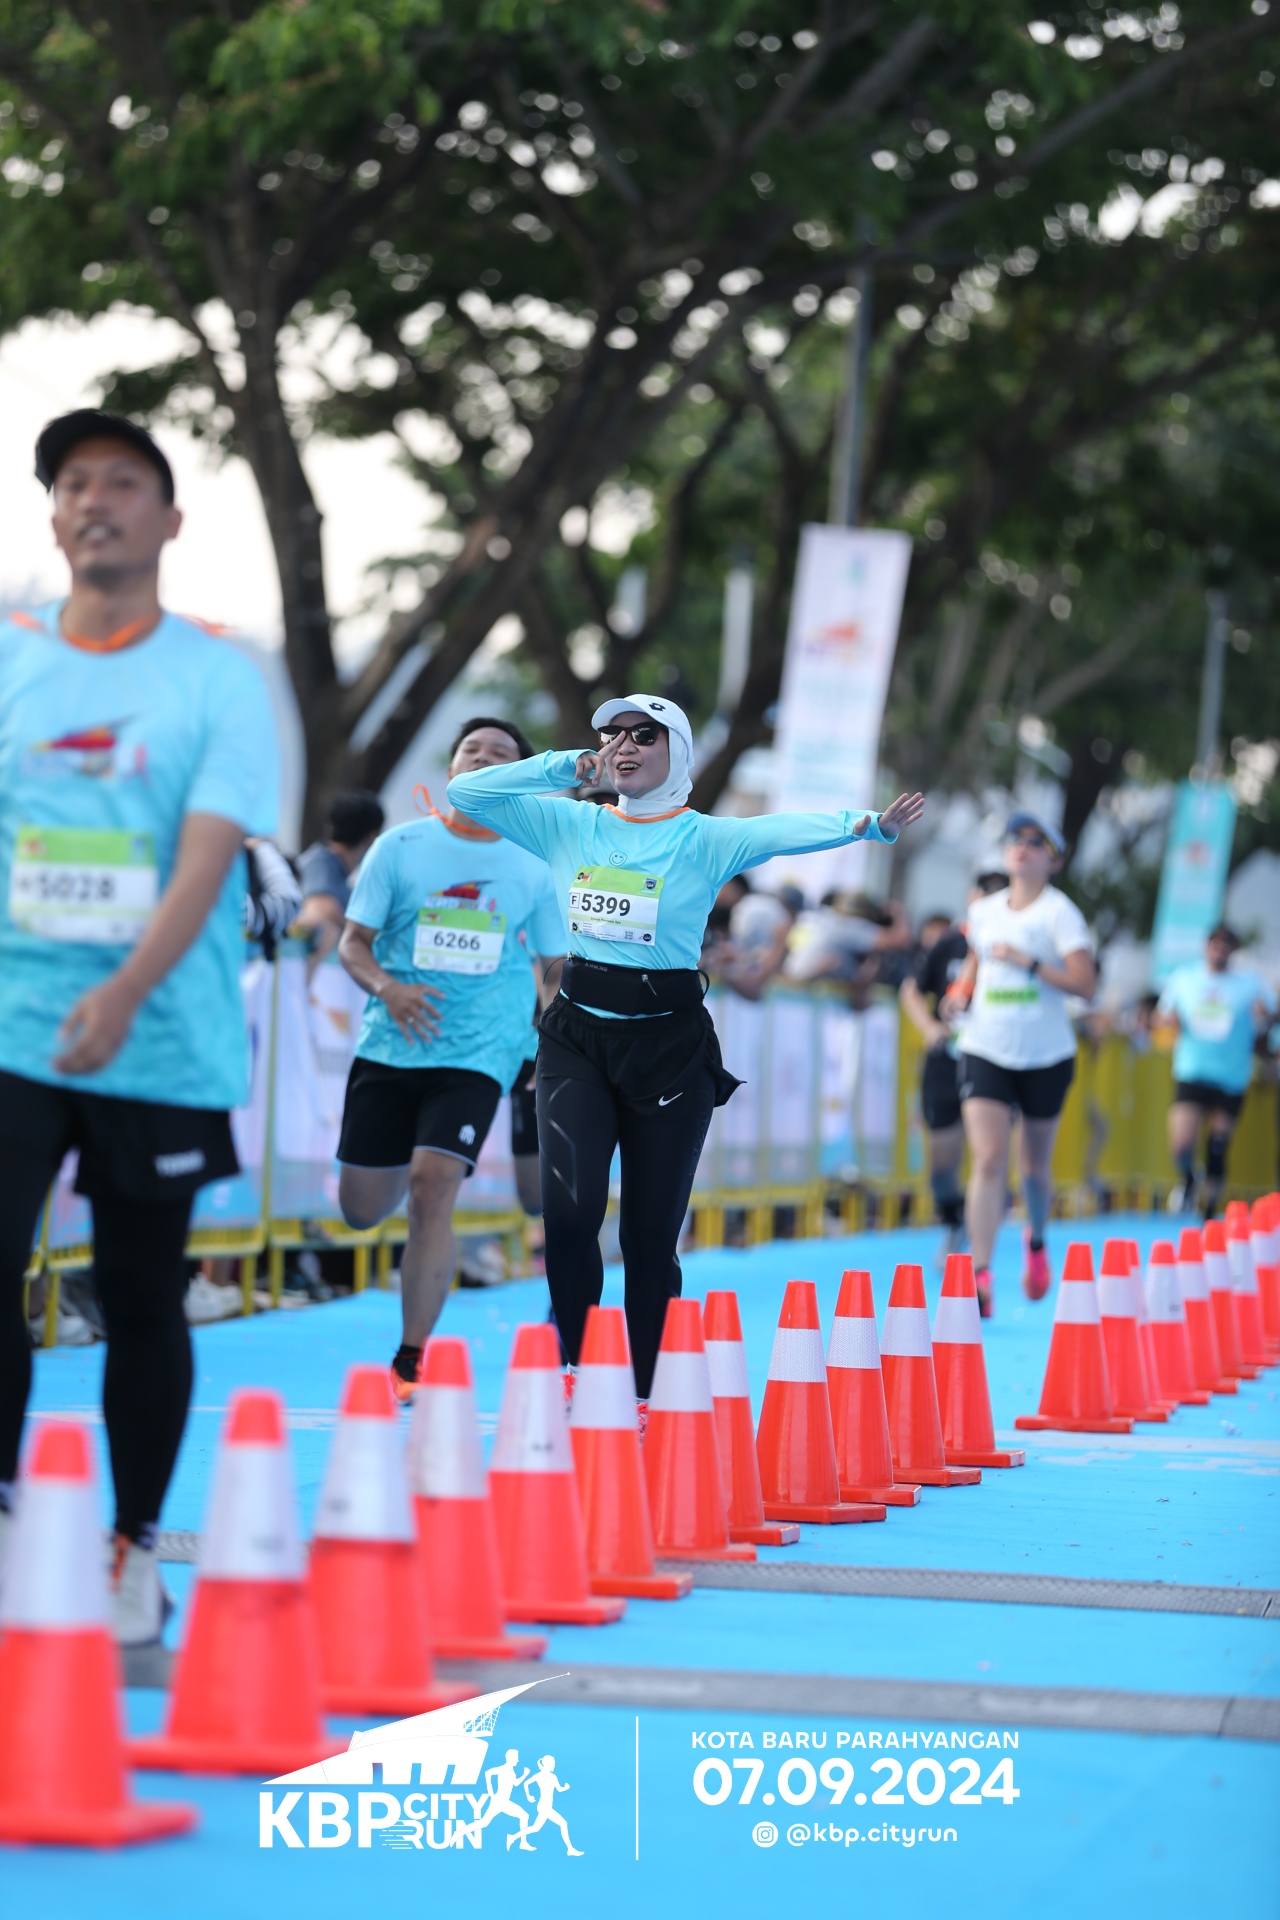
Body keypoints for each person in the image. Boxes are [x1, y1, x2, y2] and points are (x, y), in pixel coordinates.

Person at [0, 410, 278, 1642]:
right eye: (73, 483)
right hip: (14, 1025)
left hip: (158, 1037)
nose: (93, 499)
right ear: (54, 517)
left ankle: (130, 1543)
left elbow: (210, 852)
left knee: (138, 1291)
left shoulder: (217, 675)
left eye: (122, 481)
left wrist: (121, 992)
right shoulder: (12, 658)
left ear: (169, 520)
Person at [447, 694, 923, 1406]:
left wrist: (868, 826)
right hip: (576, 1040)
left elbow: (781, 830)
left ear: (679, 752)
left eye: (645, 734)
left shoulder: (704, 838)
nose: (624, 745)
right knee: (569, 1218)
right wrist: (565, 766)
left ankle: (644, 1394)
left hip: (667, 1048)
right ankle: (578, 1369)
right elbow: (465, 793)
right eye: (612, 734)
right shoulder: (568, 822)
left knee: (649, 1239)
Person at [335, 718, 565, 1400]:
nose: (484, 760)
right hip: (391, 1045)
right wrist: (389, 989)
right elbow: (352, 942)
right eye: (472, 750)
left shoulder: (532, 865)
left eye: (501, 755)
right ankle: (391, 1197)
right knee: (362, 1209)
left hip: (481, 1050)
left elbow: (553, 964)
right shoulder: (400, 848)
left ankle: (410, 1356)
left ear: (519, 780)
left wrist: (556, 1038)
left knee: (434, 1185)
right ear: (452, 768)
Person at [950, 813, 1096, 1316]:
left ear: (1053, 859)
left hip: (1046, 1055)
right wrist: (960, 991)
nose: (1023, 847)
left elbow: (1086, 984)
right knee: (989, 1159)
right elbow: (975, 961)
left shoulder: (1060, 914)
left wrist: (1029, 962)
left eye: (1036, 842)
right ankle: (980, 1274)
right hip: (986, 1046)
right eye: (1017, 839)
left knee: (1032, 1169)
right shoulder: (984, 909)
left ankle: (1036, 1239)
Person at [899, 873, 1007, 1260]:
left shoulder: (1015, 945)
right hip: (945, 1061)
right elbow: (910, 989)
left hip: (992, 1061)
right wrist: (929, 1028)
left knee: (988, 1156)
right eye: (984, 896)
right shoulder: (949, 942)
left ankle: (982, 1247)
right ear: (971, 897)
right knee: (942, 1162)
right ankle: (953, 1219)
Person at [1155, 924, 1276, 1215]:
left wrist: (1265, 1017)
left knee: (1217, 1146)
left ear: (1233, 951)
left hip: (1231, 1076)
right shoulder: (1184, 978)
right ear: (1206, 947)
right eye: (1214, 945)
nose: (1219, 951)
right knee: (1181, 1145)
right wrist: (1168, 1022)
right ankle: (1188, 1177)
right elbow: (1161, 1016)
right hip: (1192, 1071)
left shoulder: (1250, 984)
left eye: (1225, 946)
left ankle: (1209, 1209)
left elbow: (1271, 1014)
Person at [291, 790, 384, 968]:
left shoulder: (333, 869)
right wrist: (362, 936)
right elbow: (322, 910)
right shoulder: (320, 862)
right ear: (373, 836)